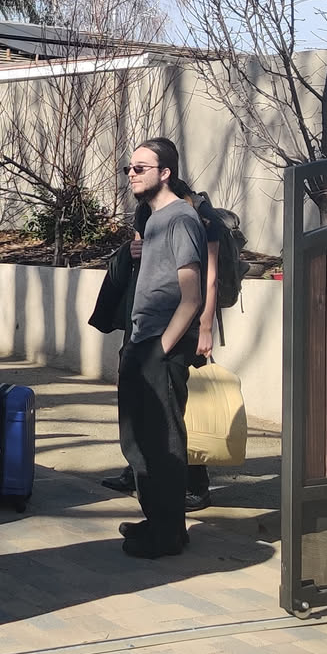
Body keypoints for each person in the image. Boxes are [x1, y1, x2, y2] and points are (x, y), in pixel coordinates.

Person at [94, 202, 217, 510]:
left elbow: (209, 278)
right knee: (140, 408)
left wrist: (205, 327)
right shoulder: (146, 211)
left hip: (174, 332)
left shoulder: (193, 216)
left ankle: (193, 485)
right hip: (141, 327)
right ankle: (139, 472)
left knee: (173, 412)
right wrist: (131, 251)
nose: (133, 178)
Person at [117, 137, 206, 559]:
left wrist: (161, 349)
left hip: (161, 346)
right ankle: (159, 521)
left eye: (140, 168)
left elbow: (192, 296)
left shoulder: (181, 219)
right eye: (129, 168)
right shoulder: (153, 220)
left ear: (165, 172)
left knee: (163, 441)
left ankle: (167, 535)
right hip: (141, 340)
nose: (131, 175)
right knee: (138, 440)